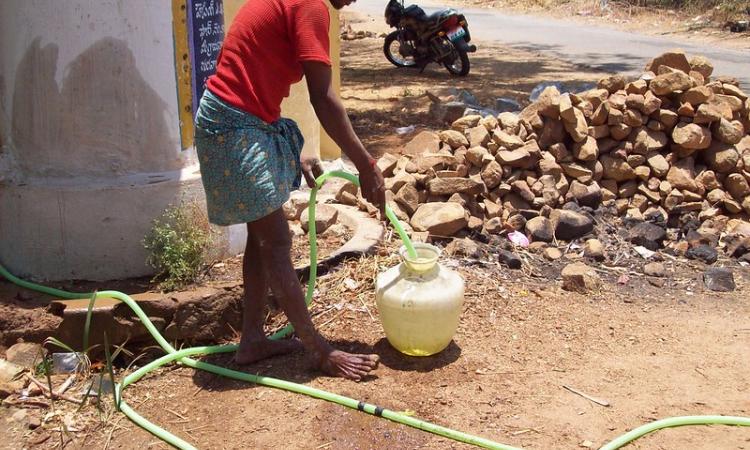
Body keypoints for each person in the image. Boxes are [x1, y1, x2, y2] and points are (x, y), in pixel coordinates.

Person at [194, 0, 386, 381]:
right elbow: (324, 98)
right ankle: (318, 351)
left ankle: (252, 340)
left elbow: (251, 68)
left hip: (241, 120)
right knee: (277, 241)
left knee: (260, 236)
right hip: (232, 125)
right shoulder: (311, 5)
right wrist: (367, 166)